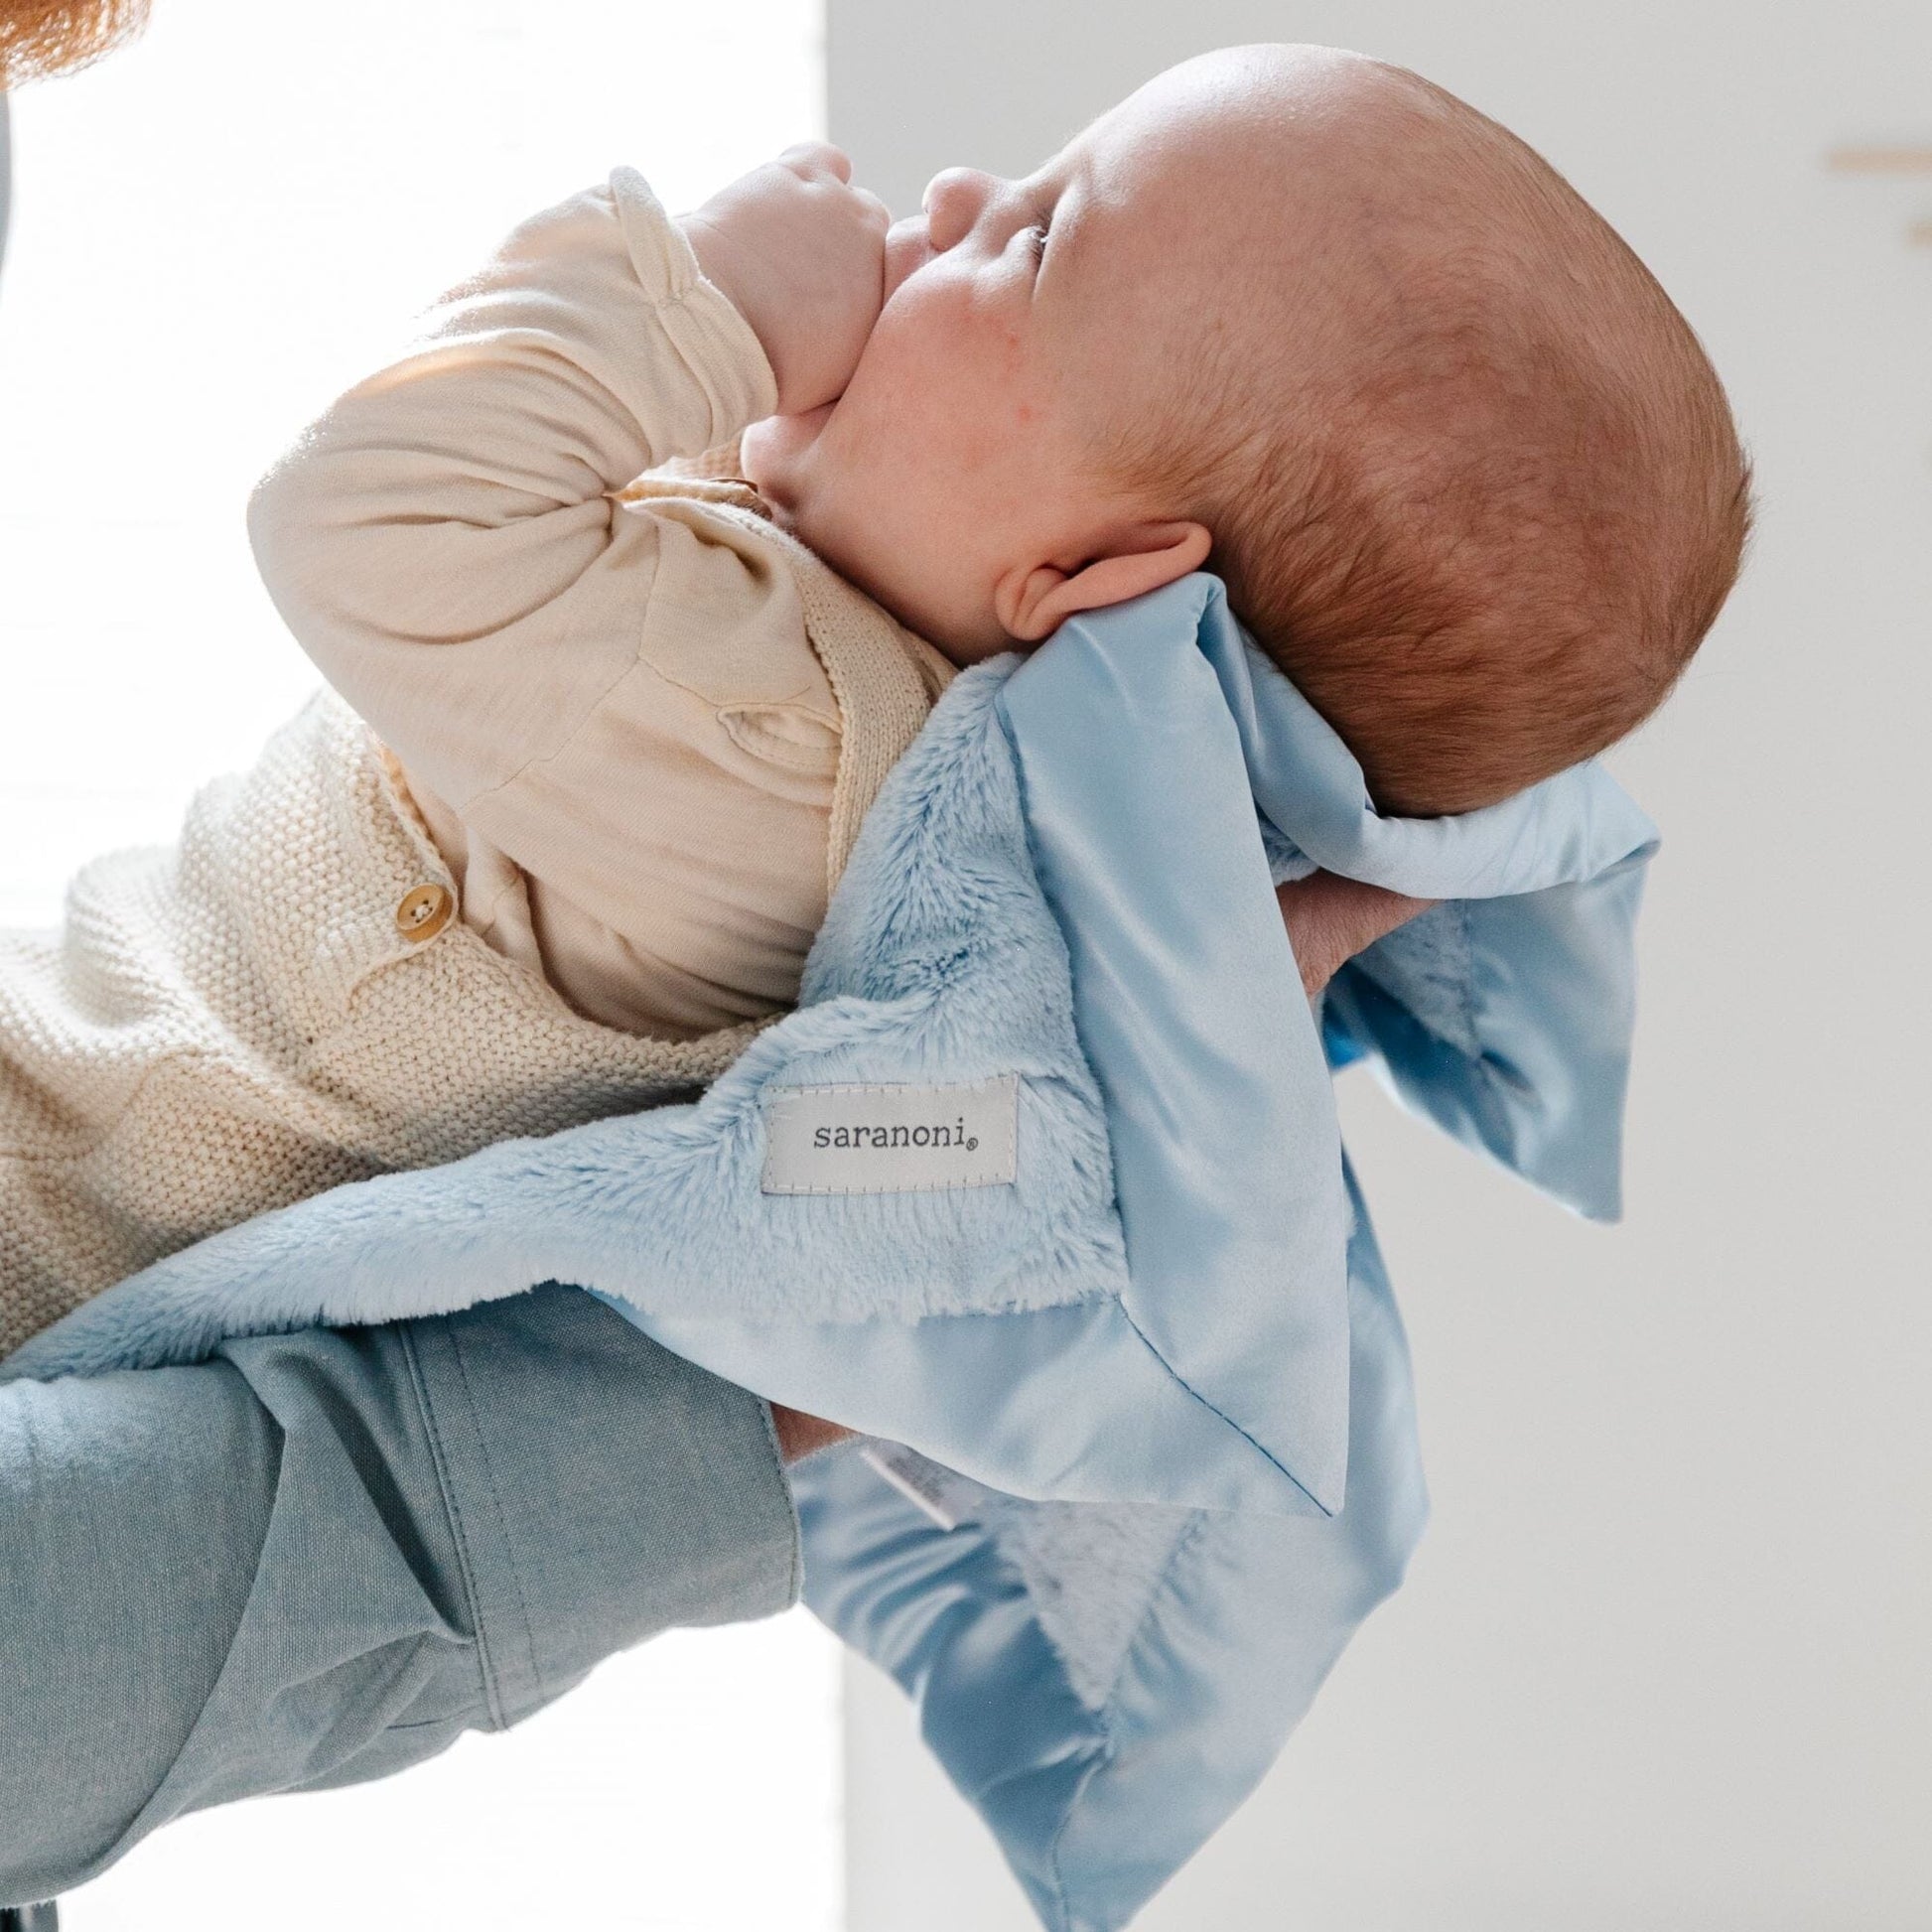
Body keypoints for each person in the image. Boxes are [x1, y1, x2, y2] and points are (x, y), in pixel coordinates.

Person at [0, 45, 1742, 1359]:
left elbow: (360, 511)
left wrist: (706, 301)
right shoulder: (870, 692)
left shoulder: (786, 755)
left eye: (1038, 243)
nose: (965, 194)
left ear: (1092, 575)